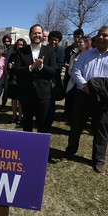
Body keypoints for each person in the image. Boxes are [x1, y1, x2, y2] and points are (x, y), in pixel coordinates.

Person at [63, 26, 108, 174]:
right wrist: (84, 86)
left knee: (101, 127)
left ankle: (99, 160)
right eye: (100, 35)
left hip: (102, 97)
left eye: (105, 35)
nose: (102, 37)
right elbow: (76, 71)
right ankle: (71, 150)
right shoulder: (86, 54)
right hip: (83, 94)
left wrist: (97, 88)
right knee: (76, 124)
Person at [13, 24, 56, 133]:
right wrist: (31, 67)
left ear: (42, 35)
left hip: (43, 94)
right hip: (26, 93)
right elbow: (17, 70)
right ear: (30, 35)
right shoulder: (21, 51)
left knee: (43, 124)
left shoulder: (49, 51)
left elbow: (54, 71)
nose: (37, 35)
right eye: (34, 33)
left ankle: (40, 148)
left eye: (39, 33)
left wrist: (41, 66)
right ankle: (27, 147)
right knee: (27, 123)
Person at [65, 36, 93, 123]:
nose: (79, 43)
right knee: (72, 104)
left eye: (81, 42)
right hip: (73, 84)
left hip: (85, 85)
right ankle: (71, 120)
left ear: (87, 43)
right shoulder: (73, 56)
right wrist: (73, 67)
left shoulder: (91, 56)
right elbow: (70, 72)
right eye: (79, 42)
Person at [45, 31, 65, 132]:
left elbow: (58, 66)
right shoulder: (44, 49)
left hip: (53, 82)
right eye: (51, 39)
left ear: (59, 41)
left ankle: (48, 124)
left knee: (51, 105)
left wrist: (44, 68)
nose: (53, 42)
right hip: (43, 81)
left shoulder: (60, 51)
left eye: (56, 40)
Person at [63, 29, 84, 117]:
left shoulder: (85, 50)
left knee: (76, 95)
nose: (77, 39)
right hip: (69, 75)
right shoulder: (68, 49)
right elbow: (64, 61)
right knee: (68, 93)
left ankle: (75, 112)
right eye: (75, 37)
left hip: (79, 77)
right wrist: (66, 65)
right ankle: (67, 111)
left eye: (79, 37)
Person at [7, 38, 27, 124]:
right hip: (12, 80)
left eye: (21, 45)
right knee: (13, 100)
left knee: (20, 100)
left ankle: (20, 117)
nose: (19, 46)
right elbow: (8, 67)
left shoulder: (26, 55)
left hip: (21, 81)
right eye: (18, 44)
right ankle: (14, 115)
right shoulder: (13, 55)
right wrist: (9, 66)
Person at [0, 34, 13, 112]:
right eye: (5, 41)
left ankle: (3, 105)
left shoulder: (12, 50)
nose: (6, 43)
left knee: (6, 92)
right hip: (1, 74)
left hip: (8, 73)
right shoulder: (1, 50)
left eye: (8, 41)